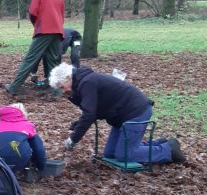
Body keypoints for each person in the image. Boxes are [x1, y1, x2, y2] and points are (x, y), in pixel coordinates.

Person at [48, 63, 186, 164]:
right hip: (121, 117)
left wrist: (73, 139)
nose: (63, 91)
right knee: (110, 154)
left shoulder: (87, 83)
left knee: (124, 155)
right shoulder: (83, 83)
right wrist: (78, 124)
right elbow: (94, 110)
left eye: (62, 87)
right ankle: (159, 143)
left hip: (135, 112)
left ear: (68, 77)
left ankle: (168, 150)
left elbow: (89, 114)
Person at [4, 0, 65, 96]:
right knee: (53, 61)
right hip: (58, 31)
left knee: (30, 59)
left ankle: (14, 87)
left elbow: (32, 12)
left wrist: (36, 25)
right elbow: (61, 16)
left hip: (44, 30)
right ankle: (57, 91)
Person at [0, 103, 47, 173]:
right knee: (29, 146)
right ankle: (24, 170)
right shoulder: (28, 126)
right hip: (21, 162)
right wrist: (40, 166)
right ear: (23, 114)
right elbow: (39, 149)